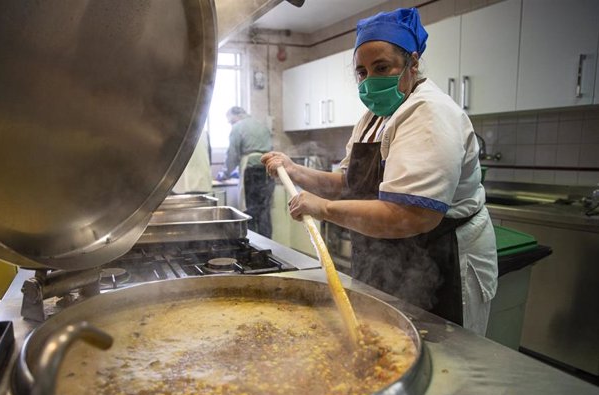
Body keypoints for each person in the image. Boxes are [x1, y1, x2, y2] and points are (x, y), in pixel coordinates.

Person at [262, 8, 497, 334]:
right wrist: (294, 170)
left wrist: (324, 209)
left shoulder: (429, 113)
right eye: (362, 71)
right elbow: (348, 183)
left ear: (412, 63)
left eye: (382, 67)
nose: (370, 80)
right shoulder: (372, 118)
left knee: (447, 361)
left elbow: (414, 215)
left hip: (442, 258)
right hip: (392, 255)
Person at [222, 106, 274, 237]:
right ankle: (268, 246)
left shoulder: (237, 127)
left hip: (251, 172)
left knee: (250, 210)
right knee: (264, 211)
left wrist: (225, 173)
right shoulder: (261, 125)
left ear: (236, 117)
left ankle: (254, 244)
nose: (231, 124)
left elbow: (232, 155)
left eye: (231, 121)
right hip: (267, 170)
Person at [172, 129, 213, 195]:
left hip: (183, 189)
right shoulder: (204, 133)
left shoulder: (175, 132)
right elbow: (209, 161)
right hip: (203, 186)